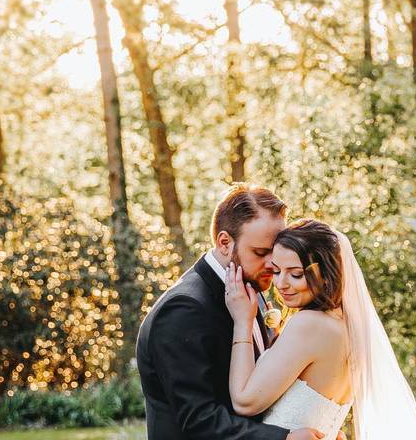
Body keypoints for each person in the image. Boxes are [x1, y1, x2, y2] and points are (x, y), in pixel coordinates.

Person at [135, 185, 325, 440]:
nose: (273, 263)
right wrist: (285, 438)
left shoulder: (250, 287)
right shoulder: (183, 310)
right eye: (261, 252)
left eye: (276, 250)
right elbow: (200, 420)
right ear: (225, 243)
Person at [224, 219, 416, 440]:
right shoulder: (348, 327)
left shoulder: (309, 324)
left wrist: (242, 322)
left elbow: (244, 402)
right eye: (276, 271)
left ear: (326, 275)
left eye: (296, 274)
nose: (281, 283)